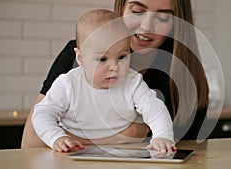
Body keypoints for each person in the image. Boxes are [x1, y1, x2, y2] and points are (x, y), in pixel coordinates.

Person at [21, 0, 209, 149]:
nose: (146, 26)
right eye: (137, 11)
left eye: (162, 18)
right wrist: (131, 133)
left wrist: (157, 135)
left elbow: (194, 151)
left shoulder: (178, 75)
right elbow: (31, 141)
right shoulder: (75, 66)